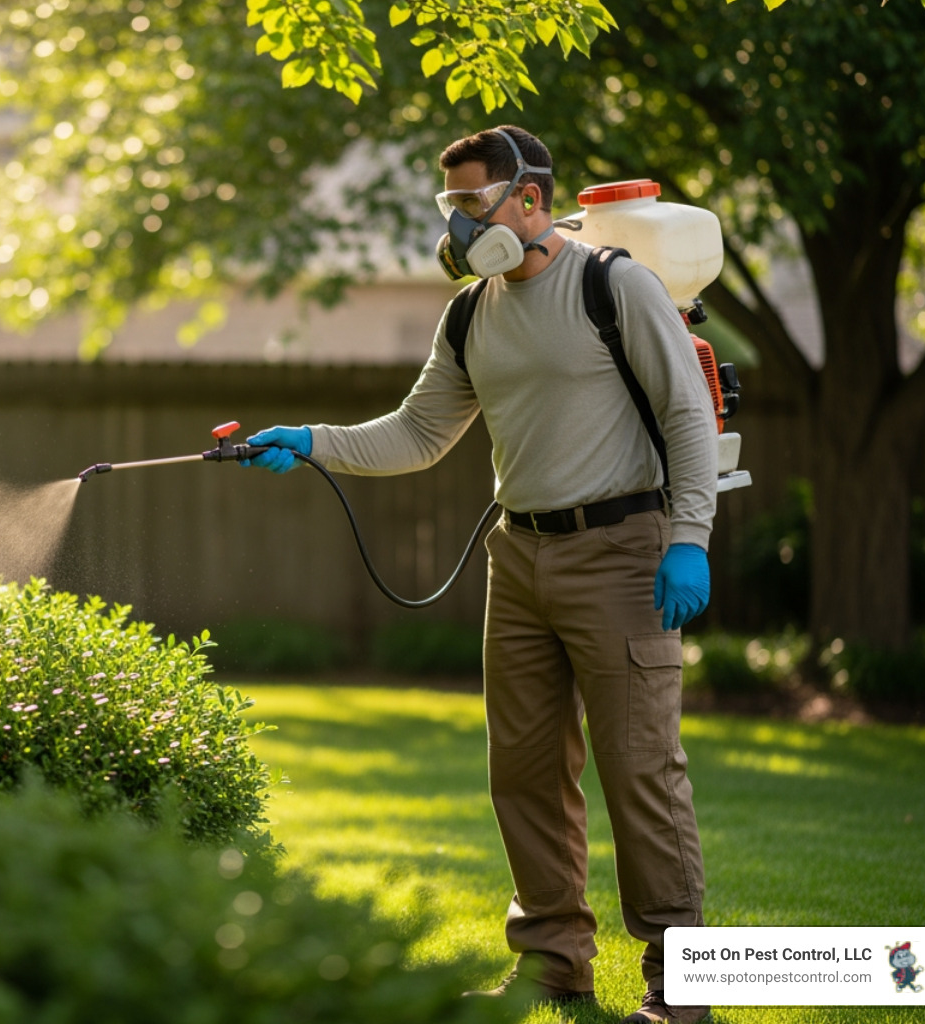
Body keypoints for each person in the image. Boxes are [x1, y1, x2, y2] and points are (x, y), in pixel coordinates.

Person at [243, 125, 716, 1024]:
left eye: (470, 205)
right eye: (449, 208)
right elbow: (417, 434)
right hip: (520, 554)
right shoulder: (470, 313)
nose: (458, 229)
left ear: (529, 200)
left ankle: (683, 983)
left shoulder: (616, 287)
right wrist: (310, 442)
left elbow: (687, 418)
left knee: (639, 770)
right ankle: (552, 964)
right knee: (525, 771)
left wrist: (687, 536)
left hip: (622, 550)